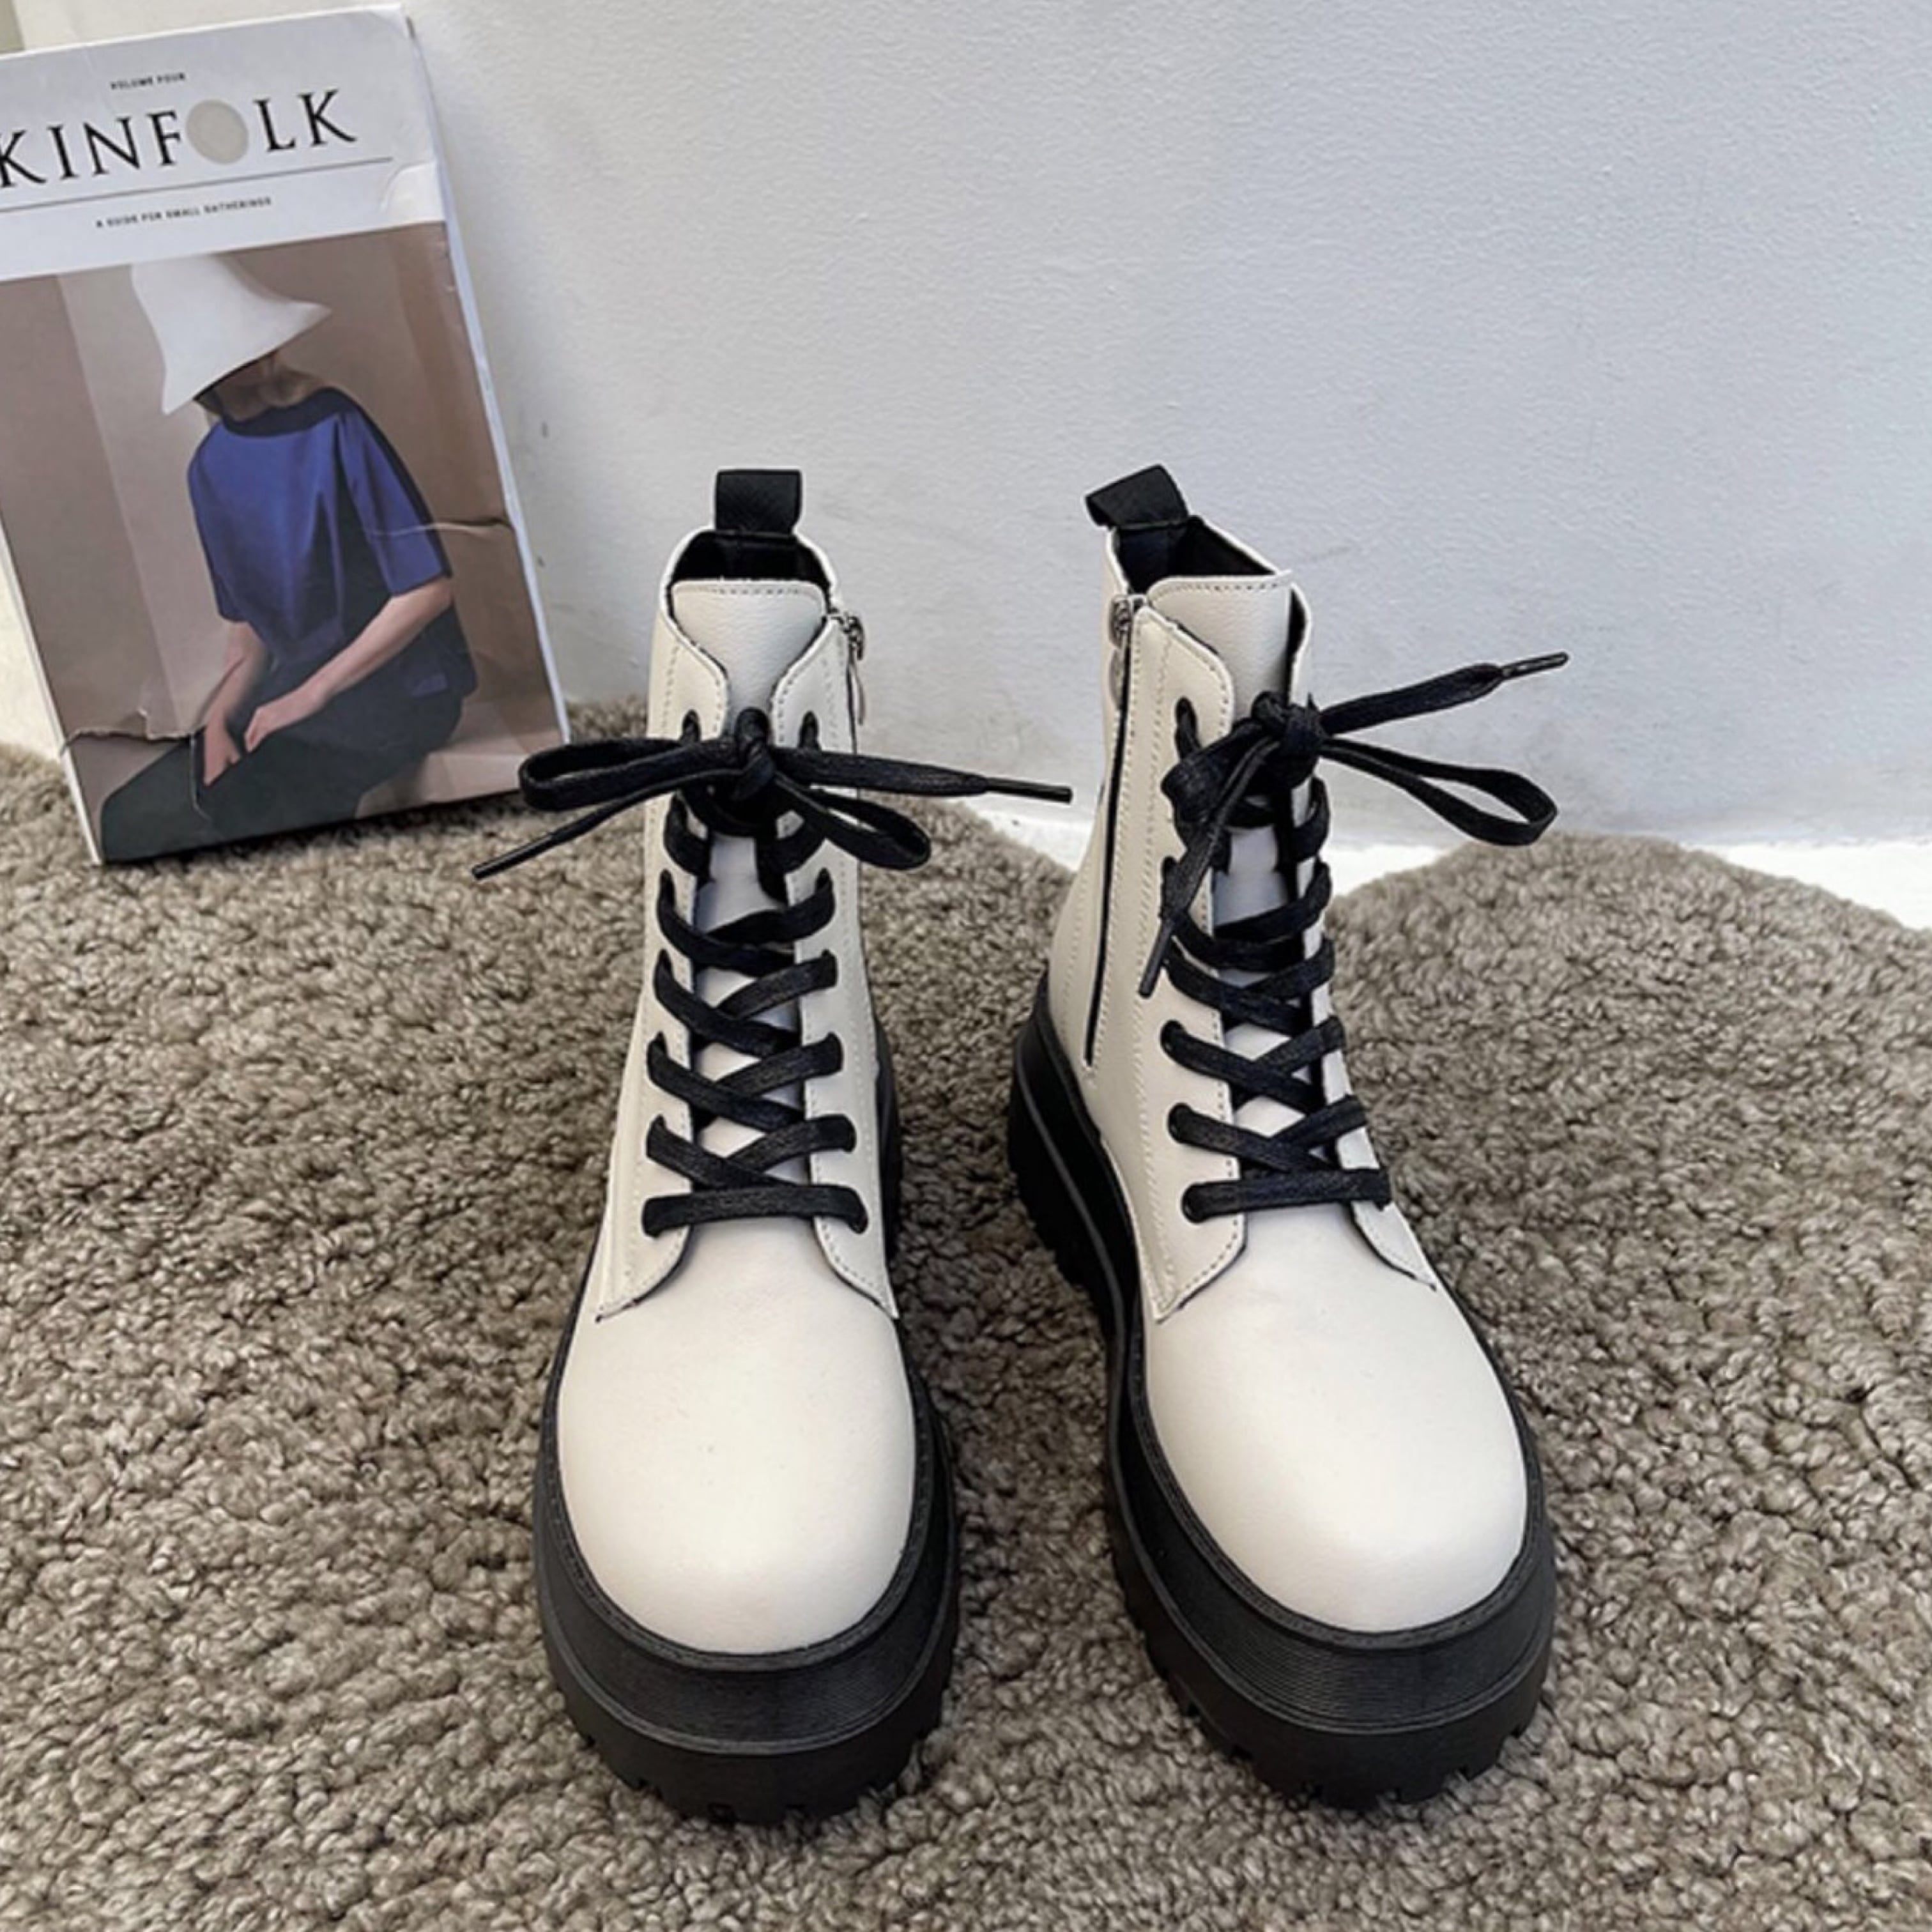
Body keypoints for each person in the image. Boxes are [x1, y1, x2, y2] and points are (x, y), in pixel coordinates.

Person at [99, 253, 475, 862]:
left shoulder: (334, 423)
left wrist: (310, 696)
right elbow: (248, 631)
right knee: (129, 815)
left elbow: (427, 590)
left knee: (243, 812)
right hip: (293, 691)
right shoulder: (207, 471)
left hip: (401, 692)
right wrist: (219, 719)